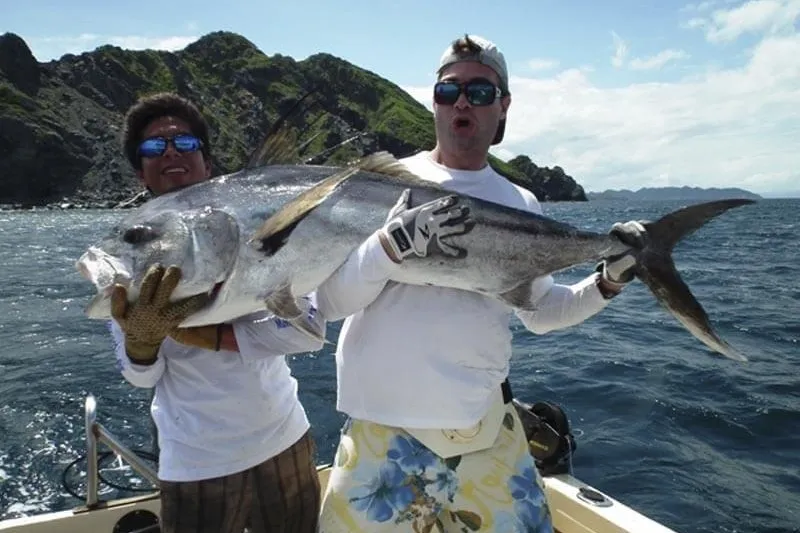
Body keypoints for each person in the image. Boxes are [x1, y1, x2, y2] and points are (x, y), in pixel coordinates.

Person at [313, 35, 646, 532]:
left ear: (503, 105)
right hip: (382, 434)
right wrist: (387, 249)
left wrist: (608, 282)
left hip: (484, 430)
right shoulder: (378, 185)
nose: (463, 102)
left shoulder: (521, 202)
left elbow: (539, 311)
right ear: (435, 102)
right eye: (449, 91)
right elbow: (329, 303)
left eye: (480, 92)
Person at [108, 92, 326, 533]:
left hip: (283, 438)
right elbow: (140, 377)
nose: (171, 151)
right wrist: (141, 342)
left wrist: (209, 336)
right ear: (140, 172)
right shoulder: (130, 250)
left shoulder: (255, 225)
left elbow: (307, 332)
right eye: (154, 147)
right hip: (197, 462)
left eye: (185, 143)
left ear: (208, 164)